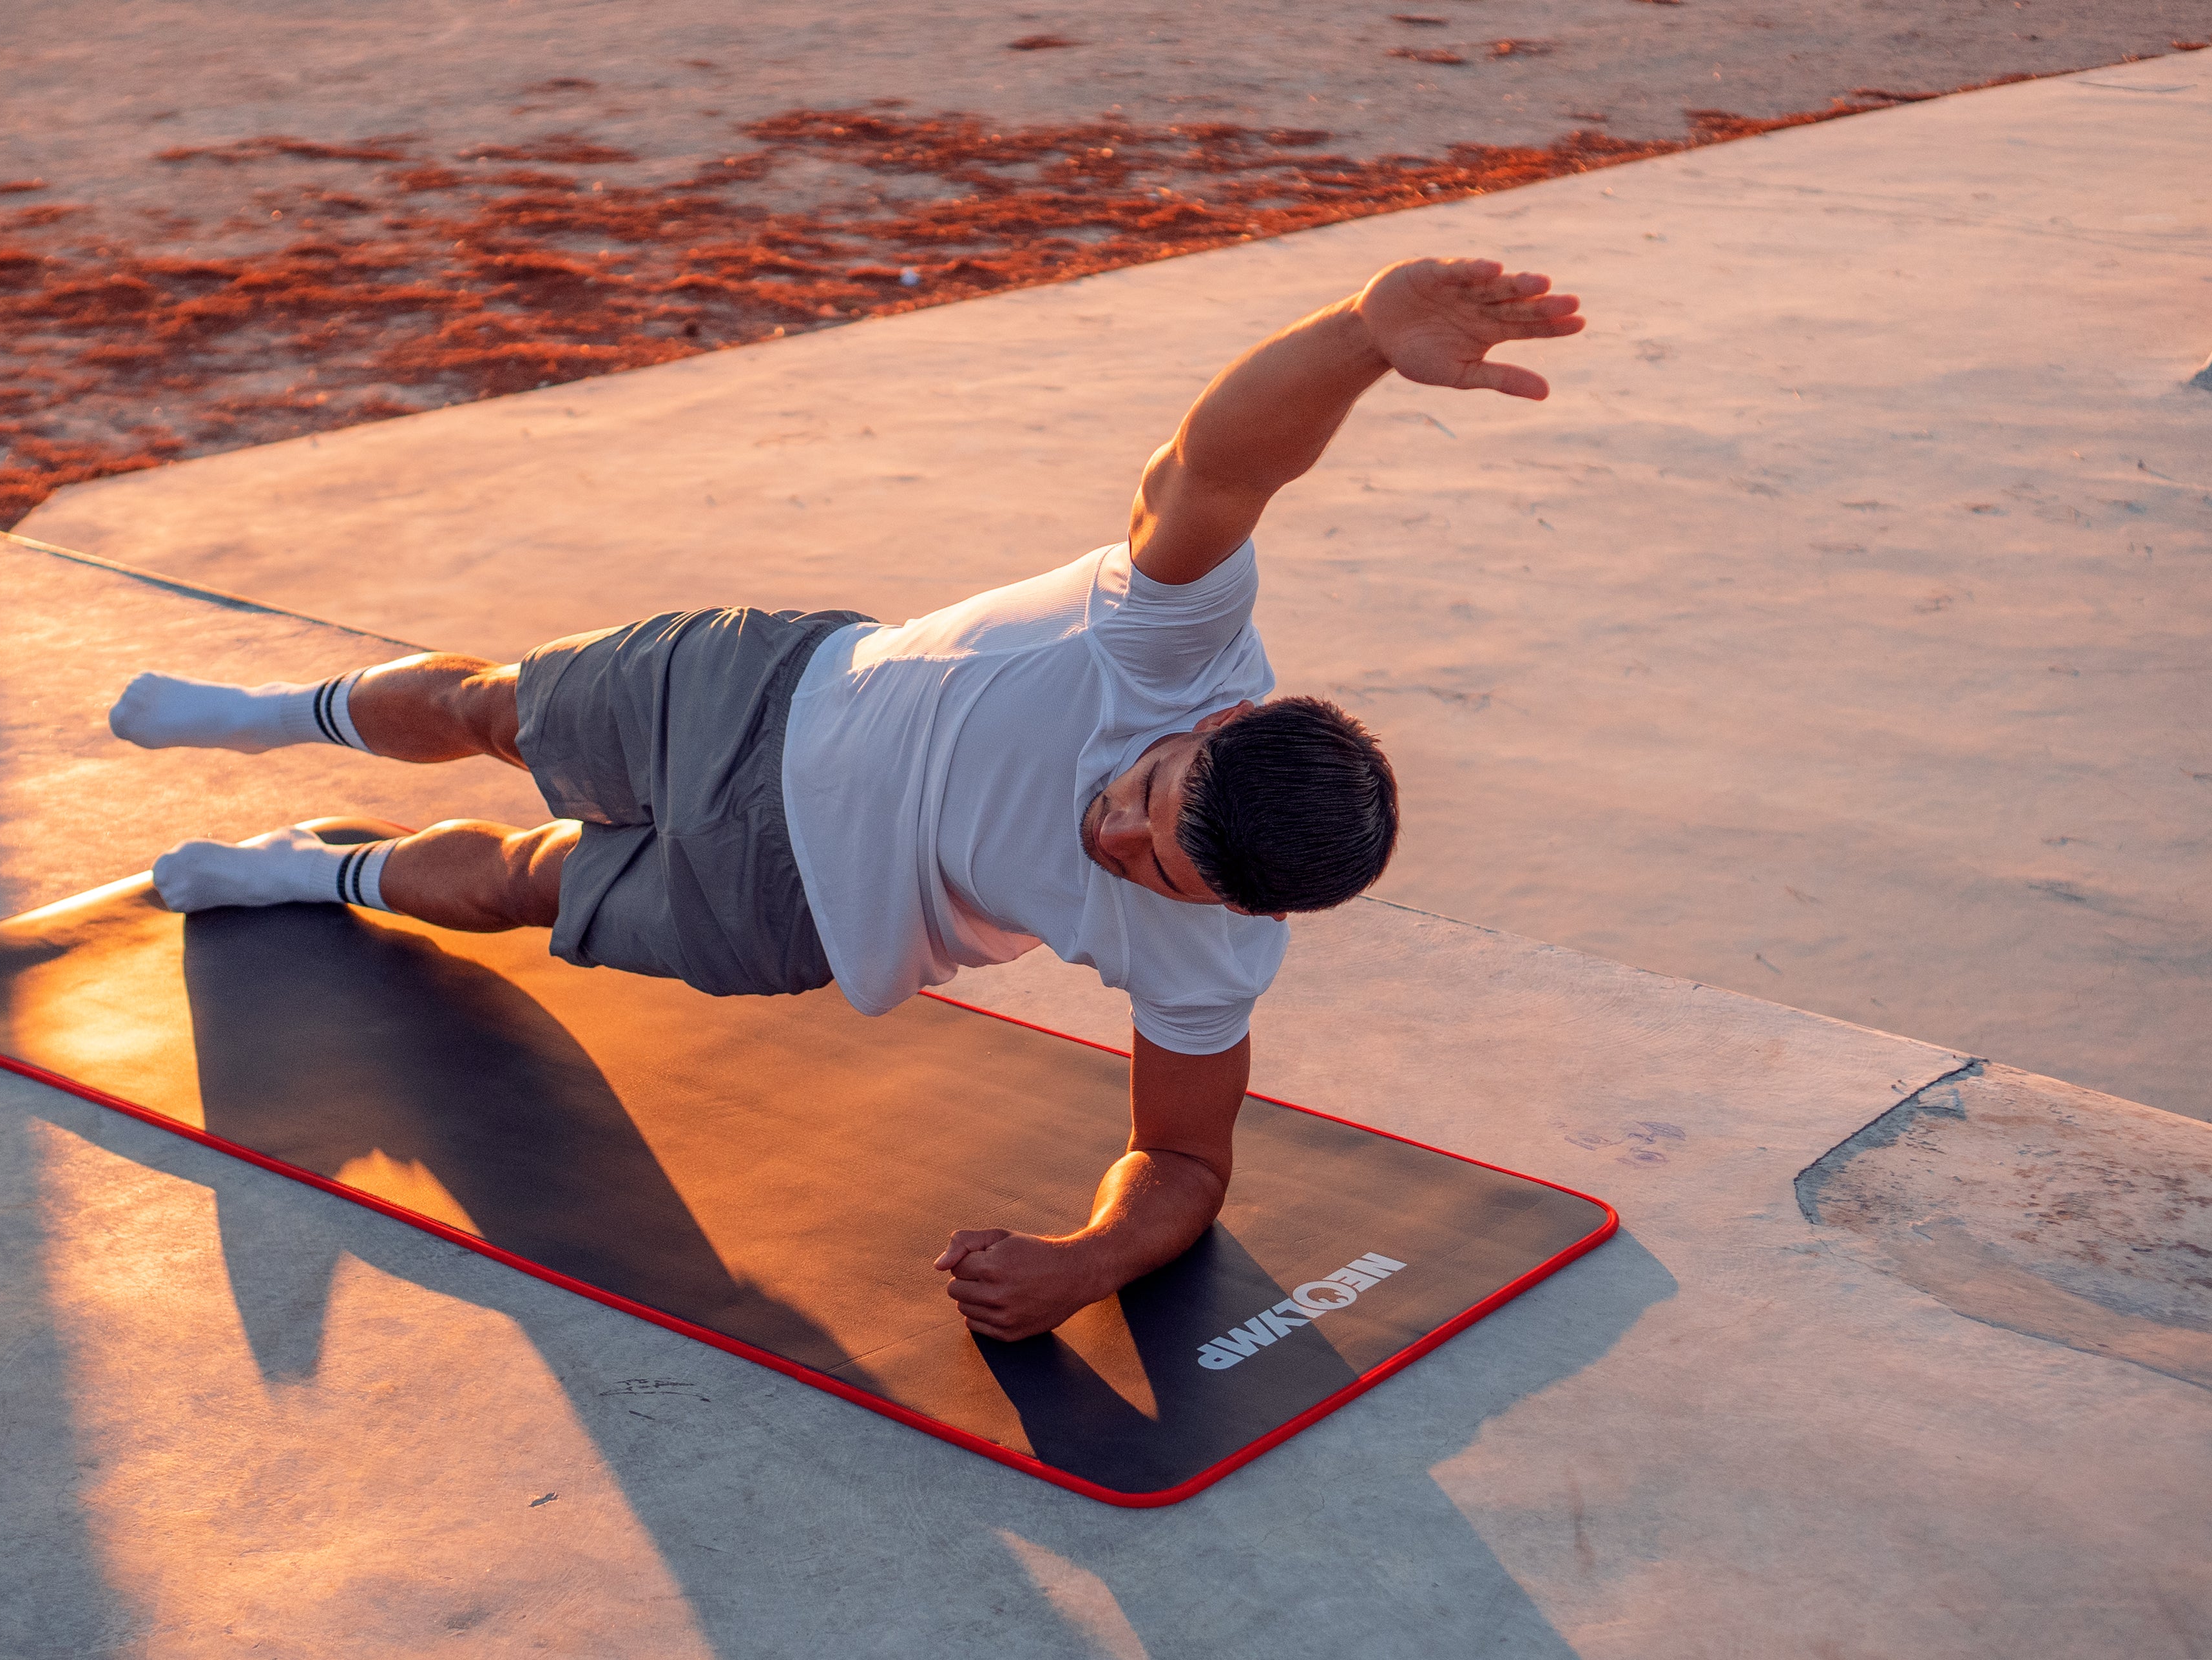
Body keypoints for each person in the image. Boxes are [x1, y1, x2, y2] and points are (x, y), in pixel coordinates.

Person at [110, 255, 1584, 1342]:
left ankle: (311, 872)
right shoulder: (1173, 646)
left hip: (791, 909)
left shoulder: (1213, 954)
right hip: (763, 692)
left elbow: (1188, 1161)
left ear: (1239, 912)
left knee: (517, 883)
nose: (1113, 836)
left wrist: (1087, 1259)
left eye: (1152, 871)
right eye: (1147, 795)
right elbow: (1213, 465)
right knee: (486, 708)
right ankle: (260, 716)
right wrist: (1355, 339)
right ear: (1220, 717)